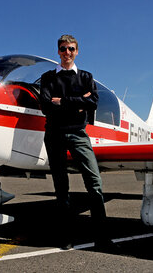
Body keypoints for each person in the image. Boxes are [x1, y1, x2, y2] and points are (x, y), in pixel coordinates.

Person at [40, 35, 110, 250]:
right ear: (58, 52)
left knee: (94, 182)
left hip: (78, 134)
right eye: (63, 49)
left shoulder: (87, 77)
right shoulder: (47, 77)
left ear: (76, 51)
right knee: (61, 187)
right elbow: (45, 106)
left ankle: (102, 238)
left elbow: (93, 103)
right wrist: (79, 102)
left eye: (71, 49)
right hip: (54, 135)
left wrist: (62, 101)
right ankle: (66, 237)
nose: (67, 53)